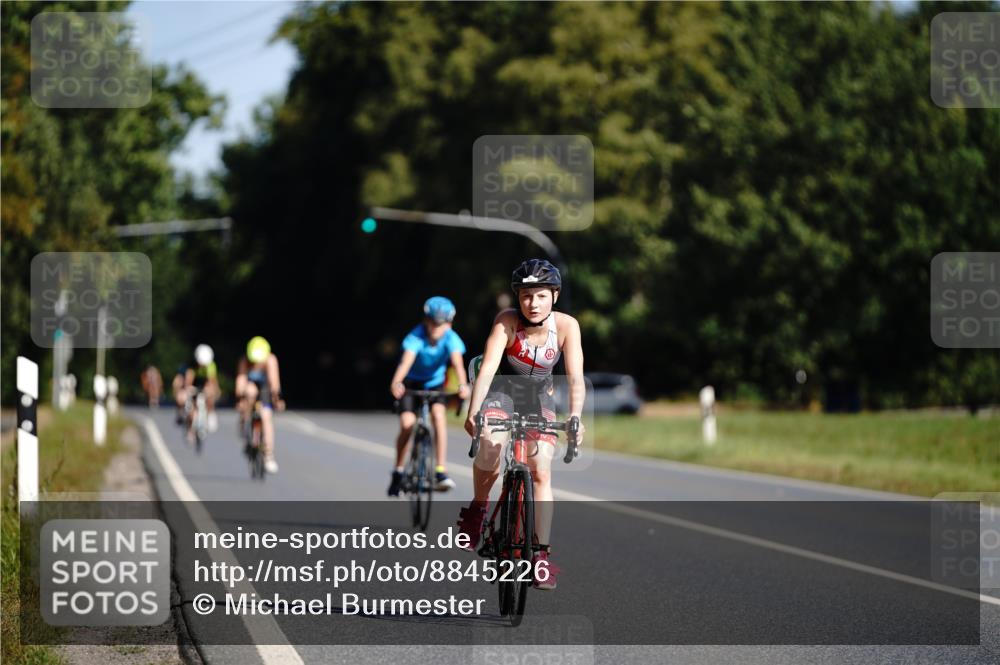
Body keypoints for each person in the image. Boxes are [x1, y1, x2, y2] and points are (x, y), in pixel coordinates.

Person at [458, 259, 586, 590]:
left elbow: (575, 378)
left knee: (540, 469)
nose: (533, 303)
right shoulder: (507, 321)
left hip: (539, 398)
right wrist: (474, 411)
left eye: (541, 295)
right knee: (490, 446)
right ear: (518, 297)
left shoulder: (567, 326)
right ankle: (478, 509)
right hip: (501, 392)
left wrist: (575, 417)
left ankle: (540, 556)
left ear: (554, 296)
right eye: (526, 296)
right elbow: (488, 368)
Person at [388, 296, 471, 496]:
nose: (435, 327)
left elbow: (458, 365)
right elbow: (405, 362)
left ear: (449, 324)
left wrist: (463, 385)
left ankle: (440, 469)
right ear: (425, 320)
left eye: (440, 324)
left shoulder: (451, 338)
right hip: (412, 384)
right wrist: (396, 382)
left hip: (435, 384)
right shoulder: (416, 336)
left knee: (439, 417)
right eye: (432, 322)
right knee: (407, 424)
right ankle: (398, 471)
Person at [235, 336, 285, 473]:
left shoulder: (270, 360)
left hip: (265, 389)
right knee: (249, 392)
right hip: (251, 388)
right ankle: (245, 422)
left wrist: (277, 399)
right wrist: (240, 400)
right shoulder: (245, 360)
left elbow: (274, 383)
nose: (256, 364)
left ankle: (268, 455)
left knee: (266, 416)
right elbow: (241, 380)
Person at [184, 344, 220, 441]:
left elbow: (212, 381)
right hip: (194, 385)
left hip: (204, 385)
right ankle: (189, 429)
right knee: (190, 408)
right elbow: (188, 381)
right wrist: (188, 389)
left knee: (210, 393)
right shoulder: (192, 367)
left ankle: (211, 413)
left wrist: (213, 391)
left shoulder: (210, 366)